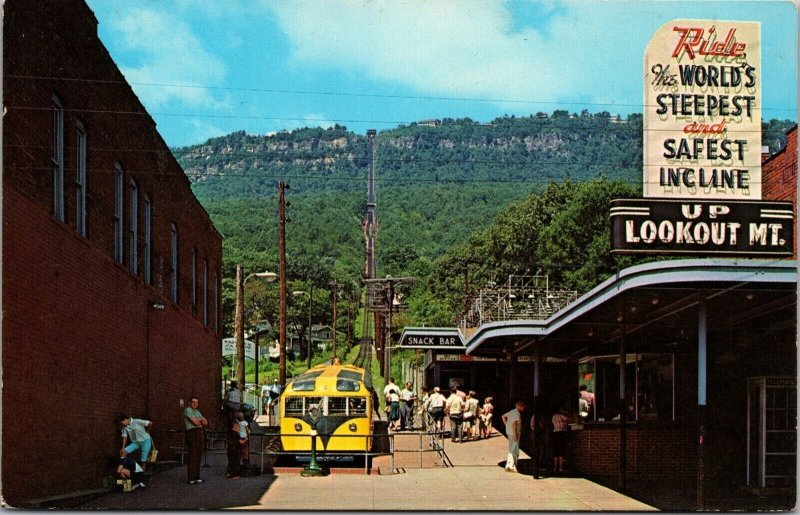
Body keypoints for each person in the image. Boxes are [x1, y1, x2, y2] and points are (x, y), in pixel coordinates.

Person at [183, 397, 209, 485]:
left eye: (197, 402)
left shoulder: (197, 412)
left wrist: (200, 420)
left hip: (199, 433)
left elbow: (206, 423)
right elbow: (196, 423)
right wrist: (200, 419)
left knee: (199, 454)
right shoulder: (188, 410)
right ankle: (191, 478)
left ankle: (197, 477)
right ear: (189, 403)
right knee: (193, 455)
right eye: (193, 402)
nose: (195, 404)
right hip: (192, 433)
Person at [501, 401, 525, 472]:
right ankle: (511, 466)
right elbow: (515, 424)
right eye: (523, 407)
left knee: (511, 449)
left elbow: (503, 416)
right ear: (519, 406)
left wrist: (507, 425)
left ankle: (509, 465)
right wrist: (515, 435)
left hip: (509, 432)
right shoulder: (517, 414)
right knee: (514, 450)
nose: (523, 408)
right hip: (515, 433)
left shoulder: (512, 412)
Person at [551, 407, 571, 474]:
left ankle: (555, 467)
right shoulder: (562, 416)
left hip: (555, 432)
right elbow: (569, 420)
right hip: (562, 433)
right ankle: (560, 468)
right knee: (561, 450)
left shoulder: (553, 416)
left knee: (556, 451)